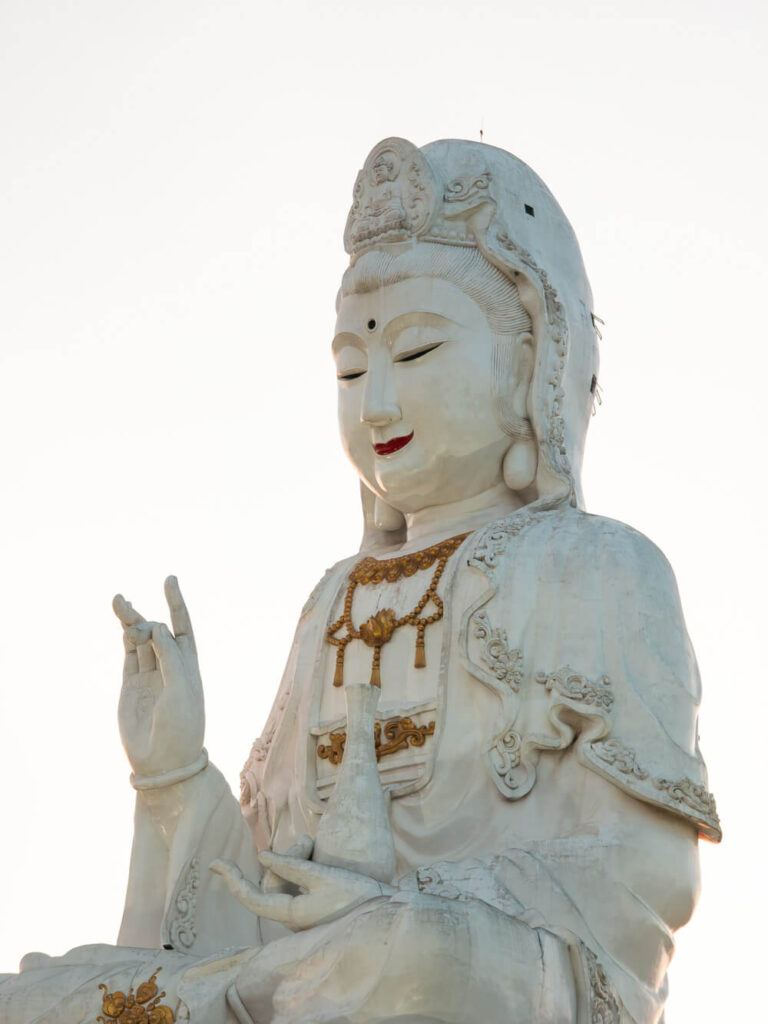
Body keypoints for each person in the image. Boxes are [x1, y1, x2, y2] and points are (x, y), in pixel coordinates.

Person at [0, 137, 719, 1024]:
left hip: (473, 969)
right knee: (42, 994)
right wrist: (175, 776)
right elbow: (261, 893)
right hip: (318, 969)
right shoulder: (330, 602)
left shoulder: (599, 566)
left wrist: (402, 908)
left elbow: (649, 875)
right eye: (350, 366)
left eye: (415, 354)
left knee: (405, 961)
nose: (375, 401)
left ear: (534, 364)